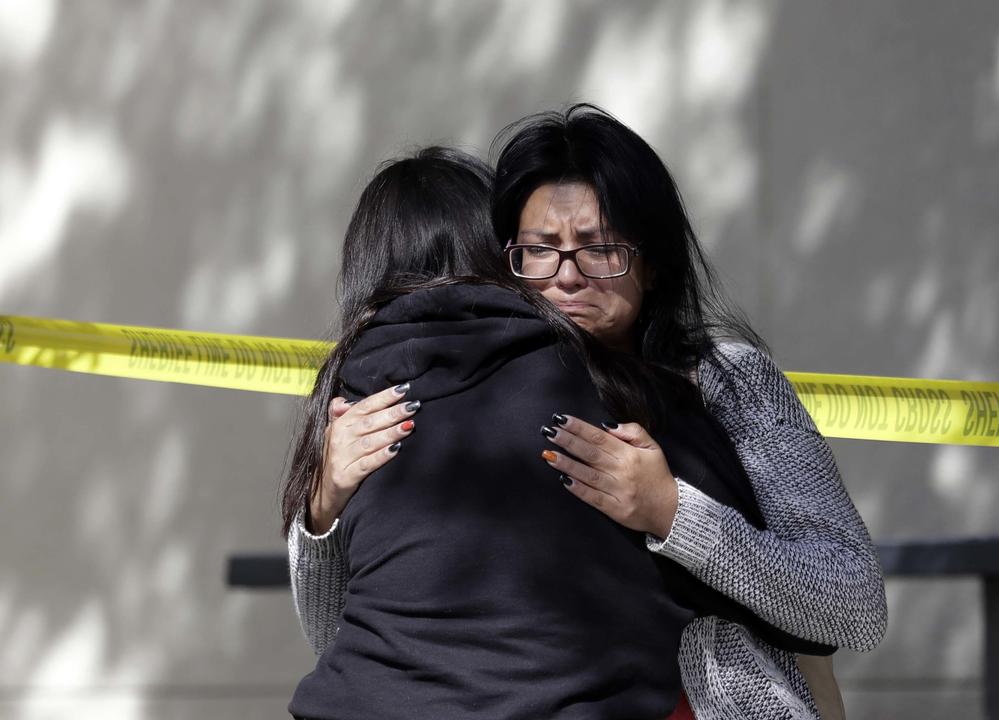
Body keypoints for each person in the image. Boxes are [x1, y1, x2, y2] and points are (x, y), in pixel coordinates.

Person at [293, 105, 888, 719]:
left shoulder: (726, 380)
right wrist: (323, 511)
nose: (569, 276)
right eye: (540, 250)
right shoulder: (464, 396)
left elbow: (854, 606)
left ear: (653, 262)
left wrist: (673, 512)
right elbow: (340, 637)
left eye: (600, 249)